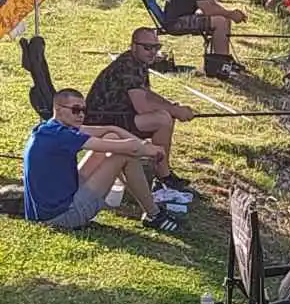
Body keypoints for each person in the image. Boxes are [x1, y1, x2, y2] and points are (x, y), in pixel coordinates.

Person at [22, 89, 183, 233]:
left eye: (84, 110)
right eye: (75, 110)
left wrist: (145, 145)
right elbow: (130, 149)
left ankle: (151, 211)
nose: (81, 115)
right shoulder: (63, 136)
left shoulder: (48, 128)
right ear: (58, 110)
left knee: (112, 138)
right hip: (61, 217)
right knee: (124, 155)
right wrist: (150, 150)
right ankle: (154, 215)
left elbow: (110, 130)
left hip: (48, 210)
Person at [85, 28, 197, 193]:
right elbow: (142, 107)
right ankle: (163, 177)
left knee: (165, 115)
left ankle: (162, 173)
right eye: (147, 47)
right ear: (133, 46)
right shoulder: (128, 66)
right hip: (102, 120)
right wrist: (174, 110)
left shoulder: (137, 62)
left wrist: (172, 107)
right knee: (162, 120)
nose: (152, 52)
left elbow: (147, 95)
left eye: (156, 47)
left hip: (119, 115)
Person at [163, 0, 247, 78]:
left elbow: (212, 4)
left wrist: (229, 14)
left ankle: (223, 60)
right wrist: (231, 14)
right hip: (175, 22)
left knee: (224, 19)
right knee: (220, 22)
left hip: (183, 17)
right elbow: (208, 10)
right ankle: (221, 65)